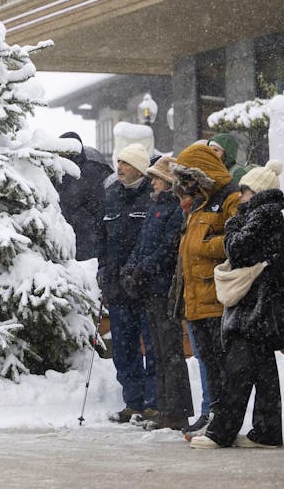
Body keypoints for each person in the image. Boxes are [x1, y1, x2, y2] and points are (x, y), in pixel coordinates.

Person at [190, 160, 284, 449]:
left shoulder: (261, 216)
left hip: (255, 309)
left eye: (245, 191)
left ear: (256, 192)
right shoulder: (270, 215)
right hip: (266, 307)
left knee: (237, 371)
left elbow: (236, 248)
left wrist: (232, 223)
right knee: (263, 372)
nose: (241, 197)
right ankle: (267, 432)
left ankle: (220, 433)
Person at [171, 142, 241, 438]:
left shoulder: (230, 199)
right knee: (210, 364)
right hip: (196, 299)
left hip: (216, 297)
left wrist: (205, 246)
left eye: (189, 177)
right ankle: (214, 416)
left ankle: (224, 422)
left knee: (222, 365)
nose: (186, 185)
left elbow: (237, 240)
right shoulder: (201, 203)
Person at [120, 155, 193, 430]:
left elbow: (168, 248)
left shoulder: (175, 208)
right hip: (149, 288)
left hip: (164, 288)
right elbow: (142, 243)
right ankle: (163, 407)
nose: (152, 182)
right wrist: (131, 268)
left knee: (170, 351)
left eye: (157, 178)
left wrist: (143, 269)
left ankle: (177, 410)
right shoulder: (155, 206)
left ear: (168, 181)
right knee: (159, 351)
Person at [97, 144, 157, 423]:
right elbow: (102, 240)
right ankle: (133, 402)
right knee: (123, 350)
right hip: (117, 289)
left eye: (126, 163)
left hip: (145, 288)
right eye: (118, 161)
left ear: (140, 168)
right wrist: (103, 270)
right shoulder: (110, 196)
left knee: (153, 348)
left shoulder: (153, 197)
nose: (119, 167)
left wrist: (141, 271)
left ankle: (153, 403)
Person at [56, 131, 113, 261]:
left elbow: (99, 206)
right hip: (67, 233)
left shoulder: (91, 173)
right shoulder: (57, 171)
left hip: (86, 236)